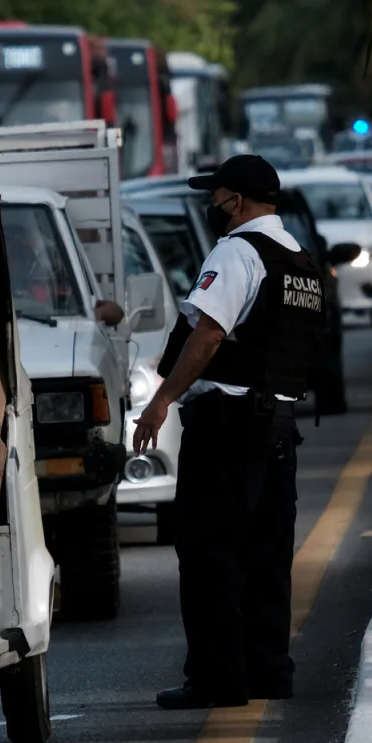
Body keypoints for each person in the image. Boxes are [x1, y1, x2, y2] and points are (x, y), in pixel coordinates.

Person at [132, 154, 326, 710]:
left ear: (235, 202)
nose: (212, 210)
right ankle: (269, 672)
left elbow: (210, 334)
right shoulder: (301, 262)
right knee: (267, 553)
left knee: (209, 551)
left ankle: (219, 679)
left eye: (215, 199)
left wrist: (161, 400)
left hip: (229, 426)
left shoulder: (239, 251)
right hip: (280, 428)